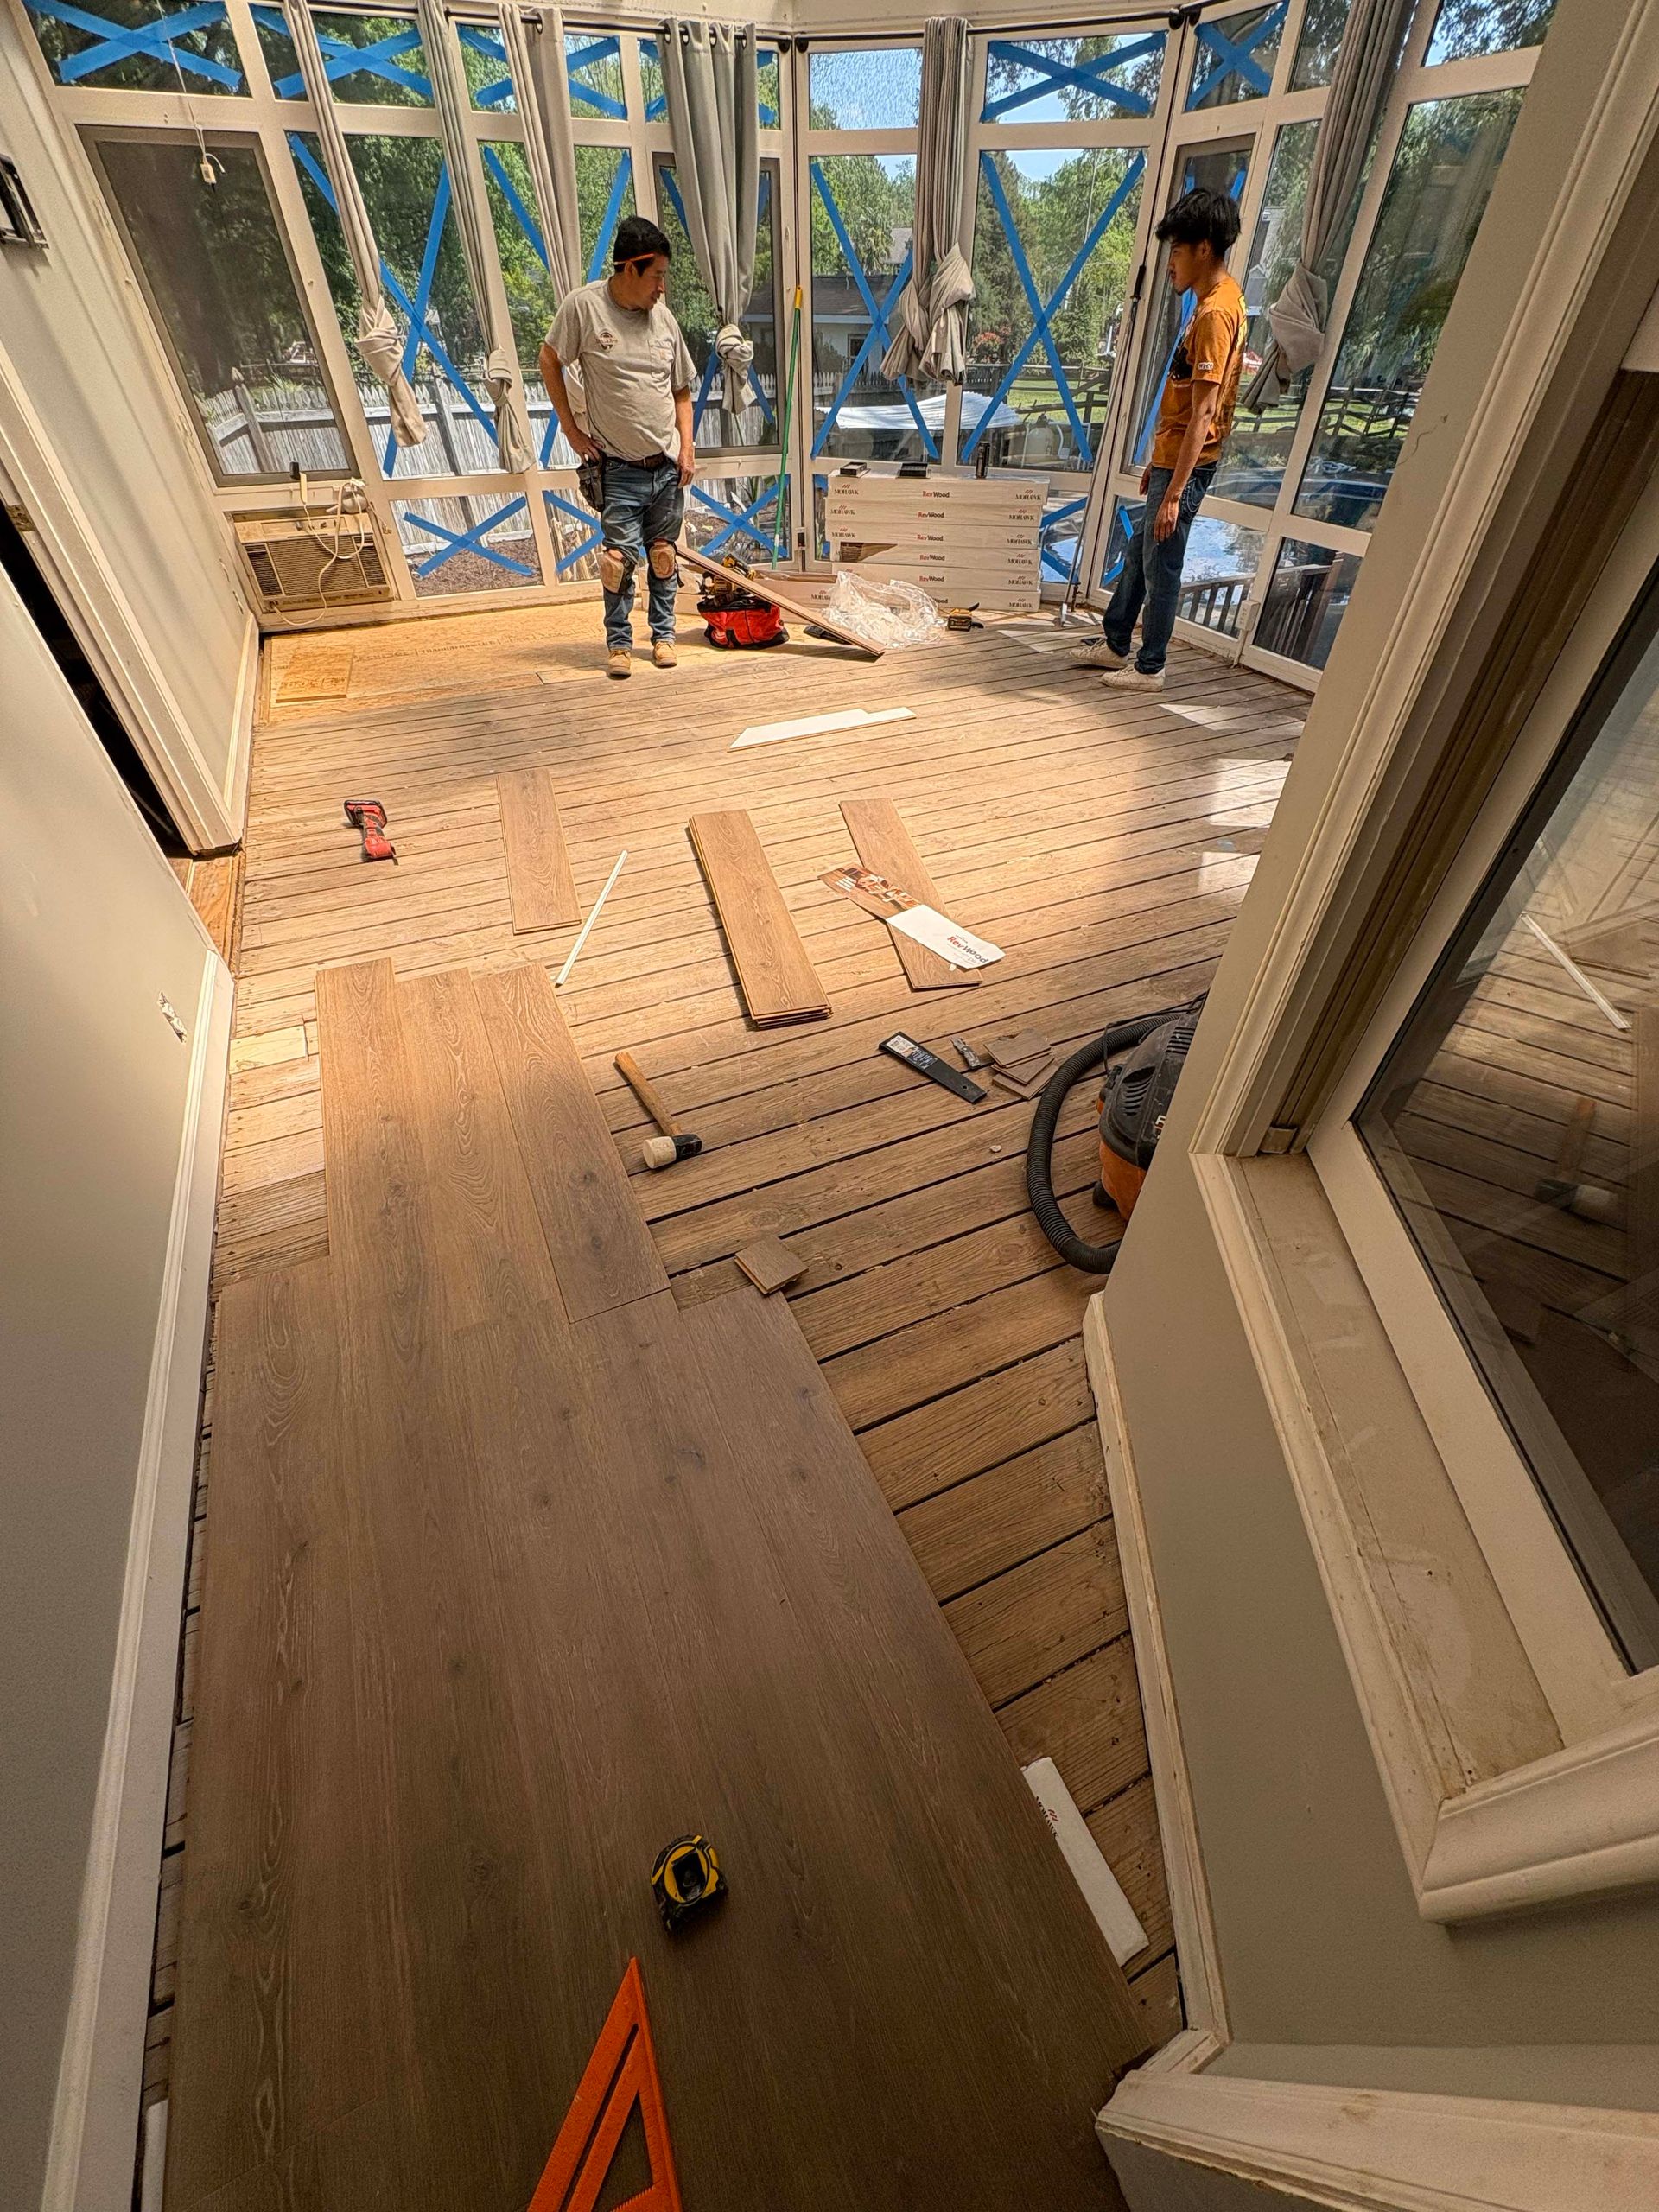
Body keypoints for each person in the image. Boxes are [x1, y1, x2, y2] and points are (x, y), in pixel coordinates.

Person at [1074, 188, 1245, 693]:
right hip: (1174, 459)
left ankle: (1151, 667)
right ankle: (1116, 642)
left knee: (1162, 564)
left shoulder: (1215, 314)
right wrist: (1161, 462)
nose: (1170, 263)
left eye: (1177, 251)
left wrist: (1174, 493)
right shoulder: (1214, 301)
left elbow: (1205, 412)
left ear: (1204, 249)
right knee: (1140, 551)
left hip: (1188, 465)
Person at [540, 216, 696, 679]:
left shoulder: (664, 321)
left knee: (664, 557)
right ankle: (619, 644)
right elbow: (549, 359)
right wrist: (571, 431)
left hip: (665, 466)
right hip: (619, 470)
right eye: (657, 276)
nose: (662, 288)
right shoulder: (584, 308)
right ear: (630, 268)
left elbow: (682, 391)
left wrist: (687, 449)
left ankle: (663, 636)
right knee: (617, 563)